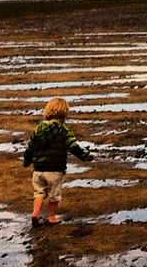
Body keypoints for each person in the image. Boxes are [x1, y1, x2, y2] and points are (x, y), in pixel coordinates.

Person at [22, 97, 92, 227]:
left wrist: (27, 161)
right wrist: (86, 156)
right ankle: (52, 217)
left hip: (38, 169)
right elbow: (73, 147)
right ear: (65, 112)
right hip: (55, 169)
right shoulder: (64, 130)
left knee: (39, 193)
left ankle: (35, 213)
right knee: (54, 195)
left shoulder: (39, 129)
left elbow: (30, 147)